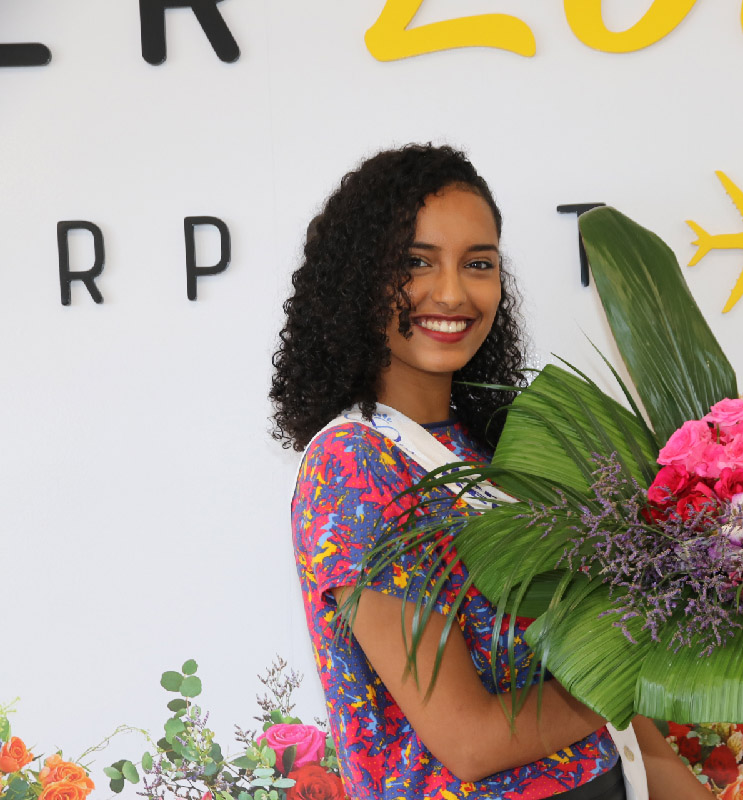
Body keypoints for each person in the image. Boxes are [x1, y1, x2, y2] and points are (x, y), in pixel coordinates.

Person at [270, 144, 713, 800]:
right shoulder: (355, 466)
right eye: (415, 263)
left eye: (478, 264)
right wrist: (633, 670)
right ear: (358, 279)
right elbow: (469, 741)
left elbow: (588, 661)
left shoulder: (498, 447)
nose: (452, 292)